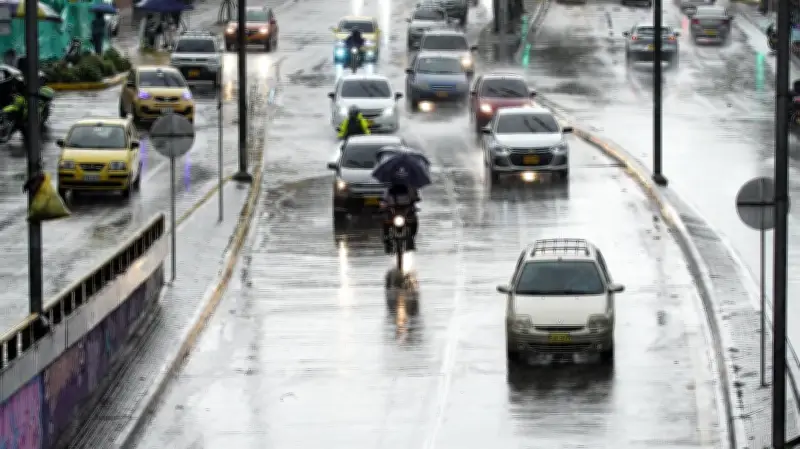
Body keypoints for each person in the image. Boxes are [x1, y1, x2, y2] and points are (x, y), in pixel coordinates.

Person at [380, 183, 420, 254]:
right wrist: (383, 205)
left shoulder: (410, 187)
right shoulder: (389, 186)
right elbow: (384, 199)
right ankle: (387, 239)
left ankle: (412, 238)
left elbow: (414, 198)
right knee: (386, 221)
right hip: (392, 210)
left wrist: (414, 201)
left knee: (413, 220)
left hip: (406, 210)